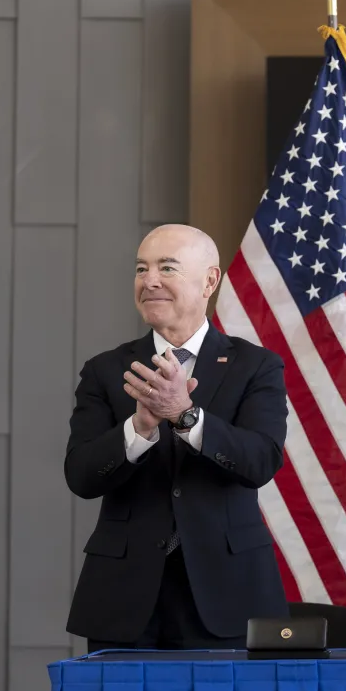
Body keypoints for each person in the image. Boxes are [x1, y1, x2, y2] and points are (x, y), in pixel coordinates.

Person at [64, 224, 289, 650]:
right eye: (141, 269)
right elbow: (81, 475)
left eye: (167, 267)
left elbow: (260, 460)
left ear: (209, 281)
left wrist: (185, 416)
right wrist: (140, 429)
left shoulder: (256, 366)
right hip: (124, 600)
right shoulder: (105, 369)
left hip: (229, 593)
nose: (149, 281)